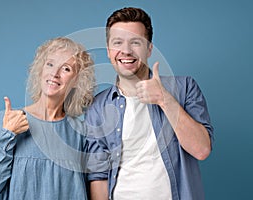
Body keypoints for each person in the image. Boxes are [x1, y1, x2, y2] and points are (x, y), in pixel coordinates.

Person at [86, 7, 214, 200]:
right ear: (108, 50)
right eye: (118, 42)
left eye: (136, 42)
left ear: (149, 48)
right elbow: (98, 176)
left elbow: (202, 149)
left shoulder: (185, 87)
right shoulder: (97, 107)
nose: (126, 51)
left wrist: (164, 99)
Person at [0, 37, 96, 199]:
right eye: (50, 64)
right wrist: (8, 135)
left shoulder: (82, 132)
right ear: (40, 69)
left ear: (77, 80)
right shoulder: (8, 119)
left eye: (66, 69)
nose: (55, 74)